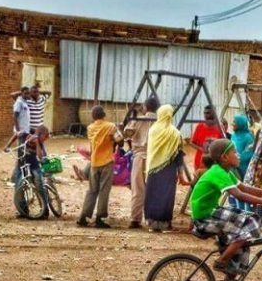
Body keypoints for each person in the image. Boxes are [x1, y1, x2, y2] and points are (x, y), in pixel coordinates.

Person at [189, 139, 262, 281]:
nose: (238, 155)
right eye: (235, 152)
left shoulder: (225, 171)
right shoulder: (218, 172)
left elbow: (245, 188)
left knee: (243, 245)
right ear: (224, 157)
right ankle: (222, 260)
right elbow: (240, 195)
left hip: (212, 212)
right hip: (205, 217)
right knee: (248, 225)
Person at [77, 106, 123, 229]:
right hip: (107, 162)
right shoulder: (110, 126)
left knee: (92, 190)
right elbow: (120, 141)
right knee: (104, 191)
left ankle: (83, 216)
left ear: (93, 116)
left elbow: (93, 145)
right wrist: (116, 137)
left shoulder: (90, 128)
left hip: (94, 163)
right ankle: (100, 218)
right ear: (104, 115)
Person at [144, 104, 184, 232]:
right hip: (168, 170)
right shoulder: (175, 133)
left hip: (153, 168)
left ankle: (151, 222)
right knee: (166, 196)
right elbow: (178, 155)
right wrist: (181, 173)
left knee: (152, 194)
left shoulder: (153, 130)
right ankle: (164, 223)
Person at [123, 97, 159, 229]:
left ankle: (135, 219)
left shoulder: (138, 119)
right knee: (154, 190)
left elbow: (126, 134)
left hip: (139, 157)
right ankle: (152, 219)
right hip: (155, 159)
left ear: (145, 107)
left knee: (138, 189)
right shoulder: (160, 121)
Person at [6, 125, 50, 219]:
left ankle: (45, 210)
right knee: (18, 185)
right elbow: (16, 135)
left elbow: (40, 156)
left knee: (39, 184)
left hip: (34, 165)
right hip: (21, 164)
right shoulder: (25, 134)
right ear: (40, 134)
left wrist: (37, 143)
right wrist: (8, 146)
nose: (47, 138)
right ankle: (23, 210)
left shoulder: (40, 142)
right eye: (46, 136)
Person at [190, 105, 223, 170]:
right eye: (204, 113)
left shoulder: (220, 127)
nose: (205, 115)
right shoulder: (199, 127)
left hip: (214, 162)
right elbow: (191, 143)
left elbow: (223, 144)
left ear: (214, 114)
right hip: (200, 161)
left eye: (208, 113)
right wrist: (201, 149)